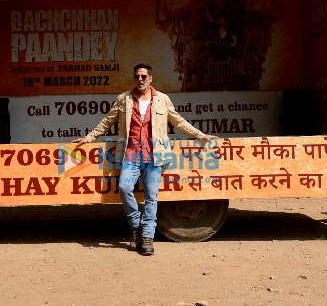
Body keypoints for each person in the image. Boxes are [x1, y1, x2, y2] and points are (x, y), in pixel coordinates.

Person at [72, 63, 218, 255]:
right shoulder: (124, 99)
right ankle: (136, 226)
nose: (139, 80)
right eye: (137, 77)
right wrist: (89, 137)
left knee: (151, 197)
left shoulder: (162, 99)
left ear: (150, 78)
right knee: (124, 188)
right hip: (130, 154)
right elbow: (107, 121)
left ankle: (147, 237)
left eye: (143, 77)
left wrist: (201, 135)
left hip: (155, 156)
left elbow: (178, 121)